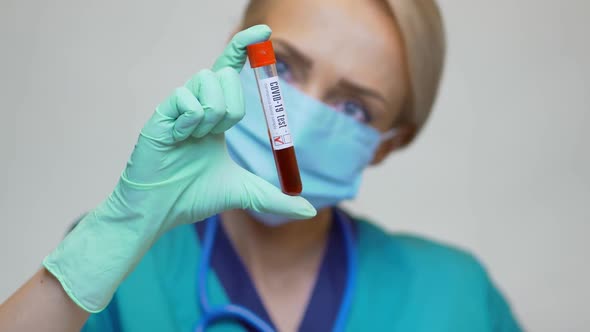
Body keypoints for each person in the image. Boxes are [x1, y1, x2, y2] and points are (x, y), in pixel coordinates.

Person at [0, 0, 523, 331]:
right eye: (285, 67)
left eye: (353, 107)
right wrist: (121, 226)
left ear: (387, 143)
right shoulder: (127, 269)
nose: (295, 123)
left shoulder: (453, 298)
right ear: (240, 50)